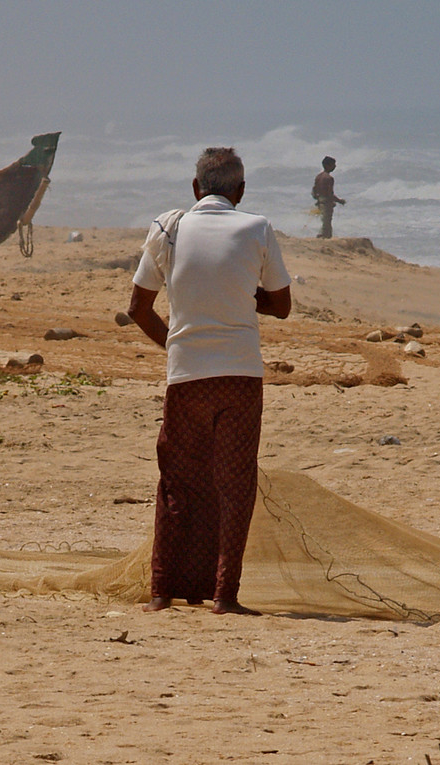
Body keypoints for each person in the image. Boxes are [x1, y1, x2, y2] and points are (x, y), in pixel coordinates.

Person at [126, 147, 291, 616]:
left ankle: (162, 592)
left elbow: (138, 309)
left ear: (196, 189)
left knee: (178, 481)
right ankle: (224, 595)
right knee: (234, 483)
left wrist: (175, 345)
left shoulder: (167, 228)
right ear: (240, 191)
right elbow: (282, 306)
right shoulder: (256, 227)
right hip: (240, 376)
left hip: (187, 377)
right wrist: (243, 295)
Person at [312, 155, 345, 238]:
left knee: (324, 221)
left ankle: (323, 236)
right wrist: (339, 201)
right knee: (327, 222)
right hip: (326, 202)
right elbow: (330, 194)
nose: (335, 166)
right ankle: (324, 238)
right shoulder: (329, 178)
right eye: (333, 164)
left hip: (320, 200)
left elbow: (314, 191)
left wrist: (318, 199)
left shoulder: (318, 177)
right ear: (328, 165)